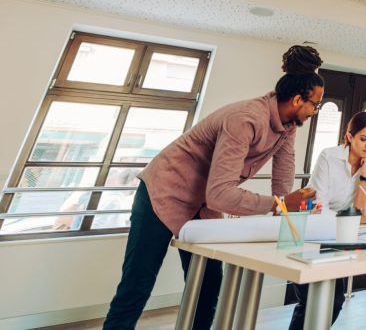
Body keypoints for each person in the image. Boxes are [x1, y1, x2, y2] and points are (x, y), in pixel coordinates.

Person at [103, 45, 325, 330]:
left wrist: (293, 215)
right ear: (297, 100)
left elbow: (283, 184)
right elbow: (220, 194)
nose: (315, 111)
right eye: (315, 105)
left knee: (208, 287)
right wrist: (279, 204)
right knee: (136, 285)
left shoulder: (288, 126)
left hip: (201, 204)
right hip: (164, 191)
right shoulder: (245, 118)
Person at [287, 111, 366, 330]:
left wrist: (365, 175)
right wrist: (354, 216)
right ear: (349, 137)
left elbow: (361, 209)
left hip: (341, 237)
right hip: (314, 233)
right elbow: (320, 207)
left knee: (335, 303)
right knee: (310, 300)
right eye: (364, 138)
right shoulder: (328, 156)